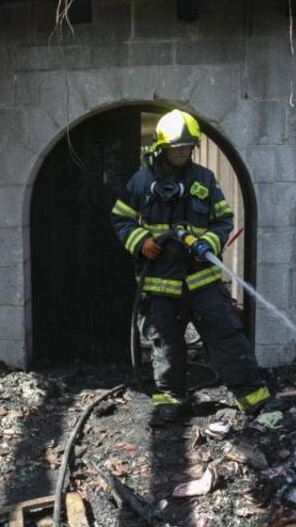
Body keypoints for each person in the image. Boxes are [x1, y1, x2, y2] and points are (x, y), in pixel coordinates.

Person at [110, 109, 271, 424]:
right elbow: (120, 218)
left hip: (202, 279)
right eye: (177, 147)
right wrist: (141, 240)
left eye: (188, 146)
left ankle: (252, 396)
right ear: (161, 147)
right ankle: (171, 401)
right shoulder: (141, 182)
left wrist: (208, 243)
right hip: (159, 281)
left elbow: (224, 219)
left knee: (226, 334)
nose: (183, 152)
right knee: (165, 343)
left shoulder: (204, 180)